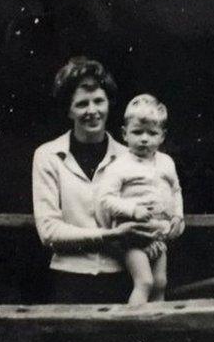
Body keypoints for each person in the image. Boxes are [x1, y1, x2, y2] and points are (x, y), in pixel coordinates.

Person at [31, 57, 185, 303]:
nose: (92, 111)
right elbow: (49, 231)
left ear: (109, 104)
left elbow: (161, 203)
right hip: (70, 278)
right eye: (82, 104)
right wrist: (110, 236)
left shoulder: (133, 156)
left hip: (124, 276)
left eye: (99, 101)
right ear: (68, 109)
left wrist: (163, 232)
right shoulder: (48, 156)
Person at [96, 94, 183, 305]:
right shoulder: (119, 166)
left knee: (160, 282)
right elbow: (105, 199)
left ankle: (157, 328)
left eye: (152, 133)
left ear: (162, 136)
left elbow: (175, 190)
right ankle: (134, 329)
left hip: (158, 233)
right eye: (137, 132)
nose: (144, 138)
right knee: (144, 282)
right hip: (132, 236)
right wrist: (132, 209)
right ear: (125, 134)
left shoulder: (166, 162)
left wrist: (178, 216)